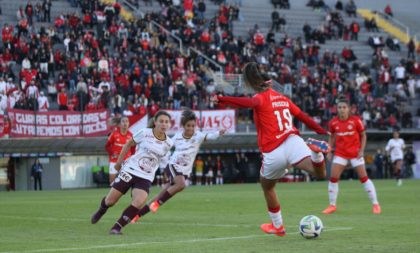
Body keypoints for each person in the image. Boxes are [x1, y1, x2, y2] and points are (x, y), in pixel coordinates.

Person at [211, 62, 330, 237]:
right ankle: (316, 153)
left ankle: (278, 226)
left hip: (273, 150)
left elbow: (247, 103)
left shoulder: (260, 98)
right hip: (293, 140)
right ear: (271, 83)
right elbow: (302, 116)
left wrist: (222, 99)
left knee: (267, 186)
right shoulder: (284, 99)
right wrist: (322, 131)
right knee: (319, 174)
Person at [131, 110, 226, 223]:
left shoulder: (198, 136)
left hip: (185, 171)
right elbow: (164, 148)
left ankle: (136, 216)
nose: (191, 128)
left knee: (162, 194)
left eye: (193, 126)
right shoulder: (177, 137)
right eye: (188, 126)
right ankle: (156, 205)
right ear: (183, 126)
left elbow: (210, 136)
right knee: (181, 185)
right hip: (173, 165)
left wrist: (219, 133)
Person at [91, 111, 173, 235]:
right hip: (130, 170)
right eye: (161, 121)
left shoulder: (169, 143)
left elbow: (163, 160)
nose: (163, 124)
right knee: (111, 201)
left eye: (166, 122)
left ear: (169, 125)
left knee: (140, 202)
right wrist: (119, 163)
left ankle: (116, 228)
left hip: (145, 177)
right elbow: (129, 144)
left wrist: (166, 174)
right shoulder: (145, 133)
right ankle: (102, 209)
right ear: (155, 122)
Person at [323, 96, 381, 215]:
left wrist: (361, 150)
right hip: (340, 153)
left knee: (363, 178)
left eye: (344, 107)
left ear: (349, 109)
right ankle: (332, 205)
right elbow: (332, 136)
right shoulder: (333, 122)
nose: (342, 109)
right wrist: (329, 151)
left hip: (355, 154)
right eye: (339, 107)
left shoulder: (356, 121)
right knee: (333, 178)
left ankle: (375, 204)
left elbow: (363, 135)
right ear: (336, 109)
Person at [105, 116, 133, 184]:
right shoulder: (114, 134)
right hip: (115, 160)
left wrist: (132, 157)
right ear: (120, 124)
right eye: (123, 121)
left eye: (127, 121)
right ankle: (112, 194)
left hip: (126, 161)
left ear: (129, 123)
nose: (125, 123)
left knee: (127, 181)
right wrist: (112, 153)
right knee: (112, 181)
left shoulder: (131, 135)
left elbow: (133, 148)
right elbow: (107, 146)